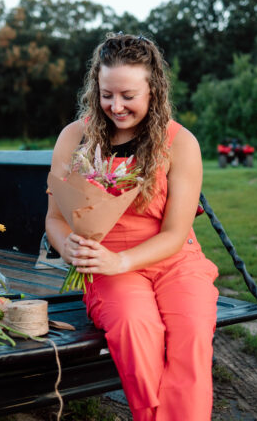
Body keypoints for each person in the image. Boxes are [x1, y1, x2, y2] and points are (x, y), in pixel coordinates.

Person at [45, 33, 220, 420]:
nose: (116, 106)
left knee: (191, 332)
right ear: (96, 87)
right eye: (107, 94)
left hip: (172, 259)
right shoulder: (75, 138)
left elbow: (175, 234)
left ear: (153, 90)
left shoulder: (180, 143)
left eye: (128, 96)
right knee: (136, 329)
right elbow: (55, 219)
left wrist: (121, 262)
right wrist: (68, 247)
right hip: (105, 264)